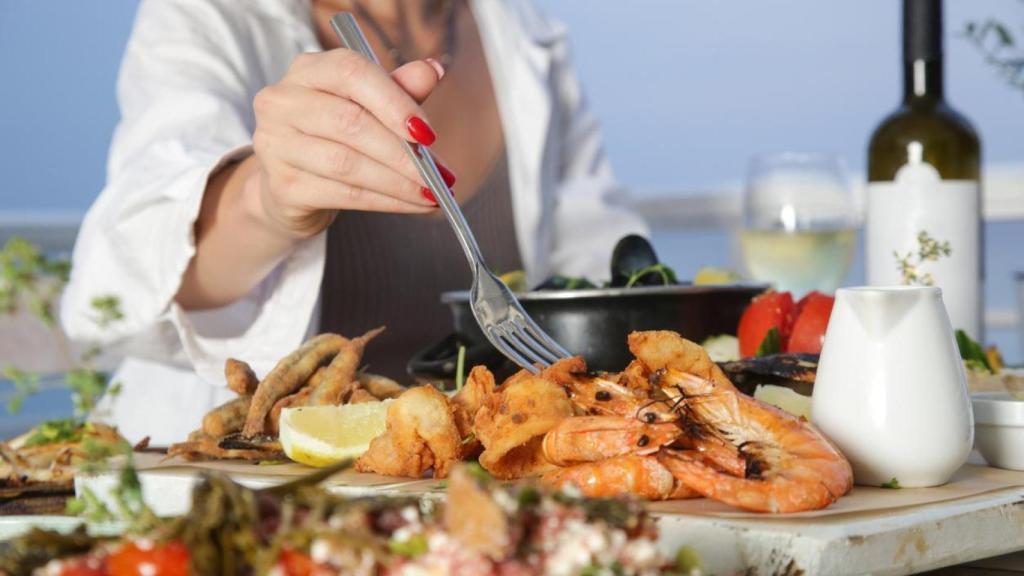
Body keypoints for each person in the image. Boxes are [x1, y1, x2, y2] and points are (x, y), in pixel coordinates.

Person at [61, 0, 647, 445]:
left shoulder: (519, 26)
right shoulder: (208, 16)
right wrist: (266, 200)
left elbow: (598, 262)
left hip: (467, 484)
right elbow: (126, 268)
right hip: (243, 489)